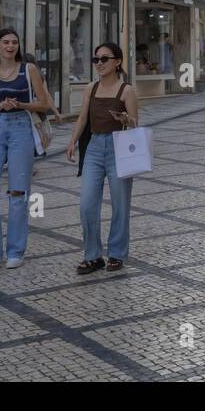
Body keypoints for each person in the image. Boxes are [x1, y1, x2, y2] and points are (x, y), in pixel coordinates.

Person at [0, 29, 54, 272]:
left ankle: (15, 251)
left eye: (14, 42)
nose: (10, 46)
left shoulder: (28, 69)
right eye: (5, 42)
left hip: (22, 128)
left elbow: (44, 104)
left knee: (18, 193)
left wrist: (21, 104)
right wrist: (0, 105)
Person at [66, 42, 139, 274]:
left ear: (117, 62)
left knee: (120, 204)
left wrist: (126, 119)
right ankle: (93, 255)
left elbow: (136, 124)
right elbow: (82, 119)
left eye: (104, 59)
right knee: (87, 204)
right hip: (95, 147)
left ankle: (116, 254)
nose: (99, 63)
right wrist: (72, 141)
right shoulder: (91, 88)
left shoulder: (126, 90)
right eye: (96, 59)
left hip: (119, 147)